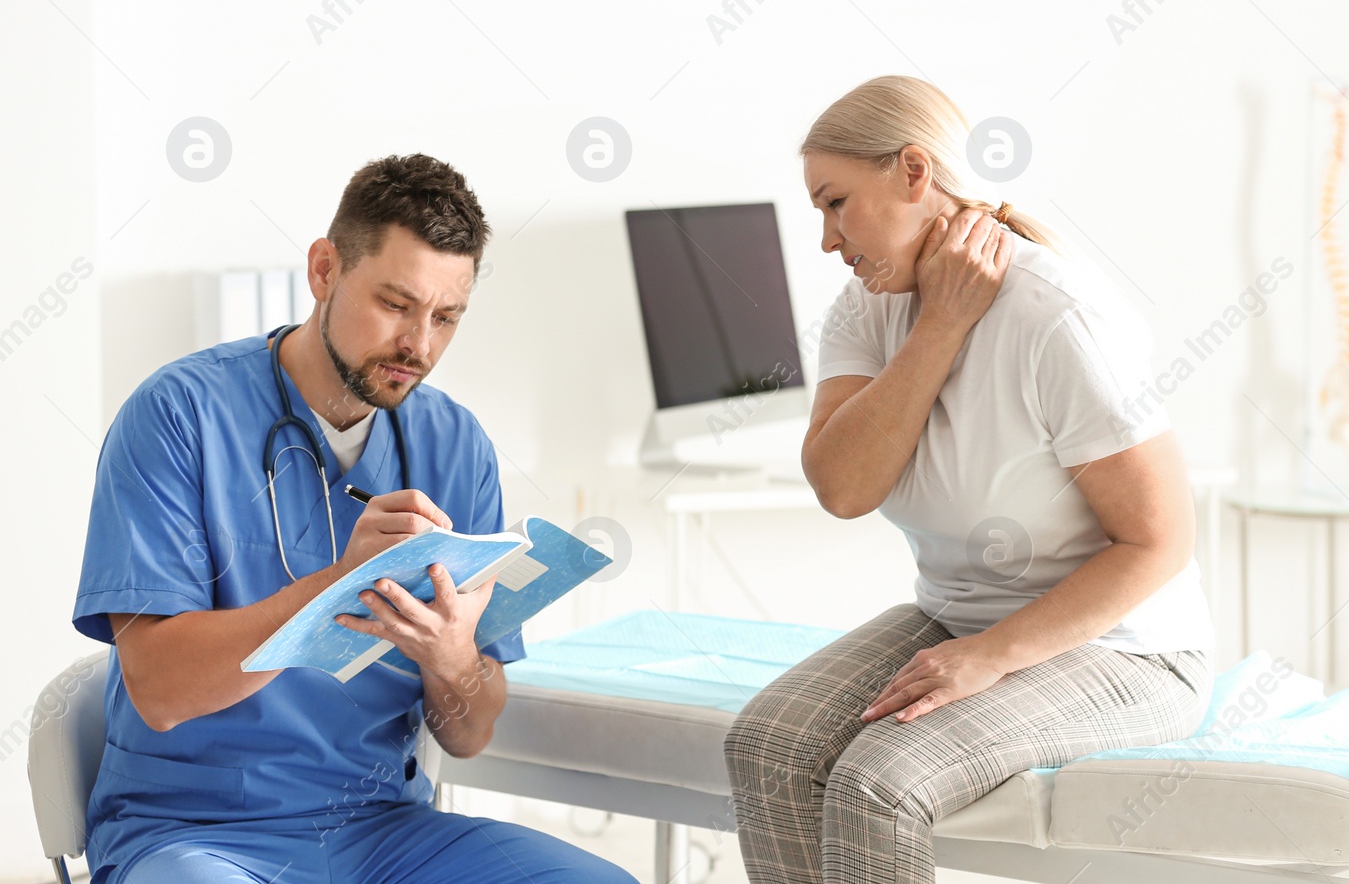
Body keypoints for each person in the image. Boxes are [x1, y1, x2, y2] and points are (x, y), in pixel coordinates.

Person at [73, 154, 636, 884]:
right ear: (323, 270)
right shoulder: (178, 416)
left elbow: (470, 732)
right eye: (396, 304)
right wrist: (338, 583)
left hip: (381, 830)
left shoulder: (455, 447)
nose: (420, 344)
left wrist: (453, 660)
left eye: (446, 316)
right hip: (192, 831)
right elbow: (158, 689)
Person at [724, 77, 1217, 883]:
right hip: (962, 622)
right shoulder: (868, 307)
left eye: (836, 202)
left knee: (878, 784)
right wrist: (941, 326)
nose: (825, 238)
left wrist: (993, 654)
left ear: (914, 173)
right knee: (767, 746)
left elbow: (1160, 541)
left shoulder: (1055, 314)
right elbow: (843, 488)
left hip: (1129, 651)